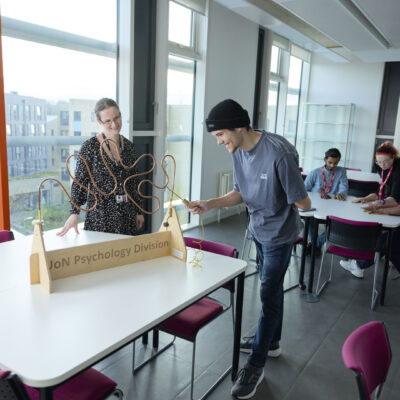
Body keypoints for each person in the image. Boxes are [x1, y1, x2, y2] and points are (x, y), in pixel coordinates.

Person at [189, 99, 311, 399]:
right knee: (271, 291)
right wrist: (210, 204)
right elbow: (242, 193)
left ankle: (256, 363)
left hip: (280, 237)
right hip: (257, 228)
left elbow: (303, 202)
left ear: (240, 126)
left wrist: (288, 195)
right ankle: (271, 342)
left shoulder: (279, 153)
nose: (219, 142)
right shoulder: (239, 150)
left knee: (268, 293)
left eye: (220, 135)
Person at [57, 98, 144, 237]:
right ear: (99, 122)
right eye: (108, 121)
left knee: (125, 256)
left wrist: (139, 211)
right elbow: (80, 182)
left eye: (117, 118)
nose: (114, 124)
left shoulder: (129, 146)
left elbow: (134, 181)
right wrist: (74, 213)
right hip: (100, 217)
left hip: (126, 216)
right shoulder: (89, 147)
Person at [340, 141, 400, 278]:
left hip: (394, 206)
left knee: (388, 242)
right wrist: (369, 198)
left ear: (393, 158)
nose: (382, 165)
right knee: (389, 244)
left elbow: (394, 198)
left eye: (386, 162)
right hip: (390, 205)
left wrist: (380, 204)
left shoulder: (398, 171)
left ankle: (359, 264)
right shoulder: (380, 167)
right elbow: (383, 189)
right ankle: (358, 264)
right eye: (379, 162)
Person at [304, 148, 348, 249]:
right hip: (316, 206)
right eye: (330, 162)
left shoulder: (341, 172)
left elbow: (344, 188)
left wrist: (340, 194)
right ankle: (315, 246)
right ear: (324, 159)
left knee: (338, 226)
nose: (332, 166)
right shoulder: (315, 172)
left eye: (335, 163)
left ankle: (313, 246)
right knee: (310, 218)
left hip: (334, 206)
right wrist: (317, 192)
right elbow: (304, 190)